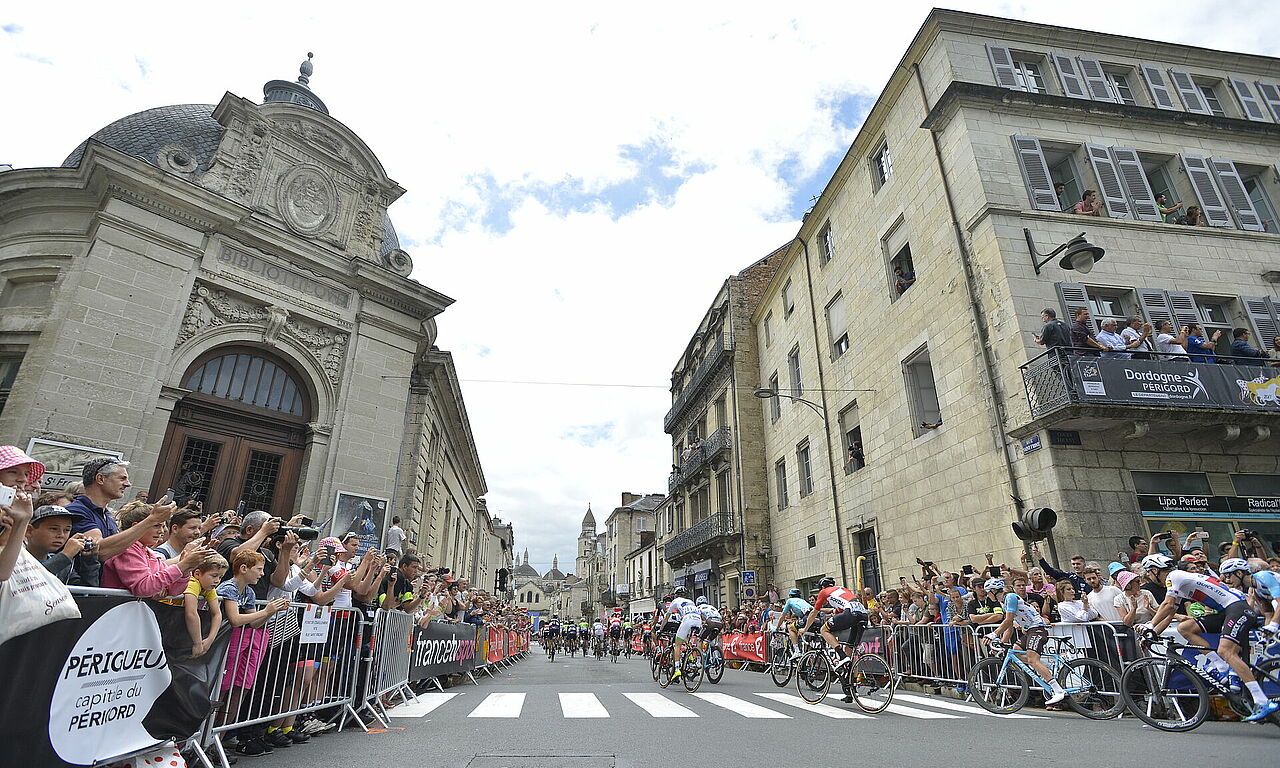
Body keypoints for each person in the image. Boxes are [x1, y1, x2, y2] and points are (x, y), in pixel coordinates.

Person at [1138, 554, 1277, 722]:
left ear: (1155, 570)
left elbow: (1167, 605)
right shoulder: (1179, 582)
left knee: (1226, 651)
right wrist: (1152, 632)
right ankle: (1221, 666)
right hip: (1227, 611)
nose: (1149, 577)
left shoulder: (1174, 576)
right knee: (1184, 628)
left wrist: (1149, 625)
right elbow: (1169, 613)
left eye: (1149, 573)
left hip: (1236, 609)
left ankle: (1262, 701)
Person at [217, 550, 291, 755]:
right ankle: (206, 738)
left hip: (246, 641)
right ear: (243, 568)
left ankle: (218, 740)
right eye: (259, 569)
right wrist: (266, 611)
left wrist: (271, 611)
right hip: (228, 642)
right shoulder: (229, 587)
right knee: (222, 689)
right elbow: (235, 619)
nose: (262, 574)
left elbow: (255, 623)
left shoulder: (248, 592)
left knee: (241, 688)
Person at [101, 503, 213, 599]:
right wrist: (183, 565)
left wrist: (186, 571)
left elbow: (174, 591)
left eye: (163, 526)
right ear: (137, 526)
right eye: (156, 526)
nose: (161, 531)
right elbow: (144, 588)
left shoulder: (148, 552)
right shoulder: (127, 549)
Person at [988, 578, 1067, 704]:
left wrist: (993, 634)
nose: (987, 595)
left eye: (988, 592)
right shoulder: (1004, 603)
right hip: (1030, 631)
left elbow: (1008, 620)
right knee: (1016, 652)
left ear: (993, 591)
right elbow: (1009, 627)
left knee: (1032, 660)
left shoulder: (1010, 597)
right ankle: (1045, 667)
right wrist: (1002, 642)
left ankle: (1058, 691)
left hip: (1037, 629)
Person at [800, 576, 869, 703]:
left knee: (824, 630)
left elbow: (813, 613)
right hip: (863, 615)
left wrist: (805, 629)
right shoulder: (842, 590)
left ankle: (841, 656)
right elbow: (838, 612)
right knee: (850, 651)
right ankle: (851, 691)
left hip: (851, 613)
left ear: (822, 587)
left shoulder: (824, 592)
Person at [25, 503, 101, 586]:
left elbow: (86, 591)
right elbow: (32, 583)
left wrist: (90, 560)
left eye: (67, 530)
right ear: (29, 531)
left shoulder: (64, 566)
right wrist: (65, 555)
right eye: (54, 529)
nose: (61, 535)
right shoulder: (17, 560)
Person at [171, 552, 226, 658]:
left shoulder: (209, 587)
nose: (217, 581)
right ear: (197, 574)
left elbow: (217, 614)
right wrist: (197, 643)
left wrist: (210, 639)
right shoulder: (192, 583)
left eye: (220, 577)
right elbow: (191, 613)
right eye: (214, 576)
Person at [665, 587, 703, 680]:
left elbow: (666, 617)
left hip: (687, 620)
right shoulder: (691, 601)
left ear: (676, 595)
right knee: (687, 639)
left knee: (677, 645)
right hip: (698, 621)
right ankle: (691, 658)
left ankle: (677, 669)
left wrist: (661, 629)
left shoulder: (675, 601)